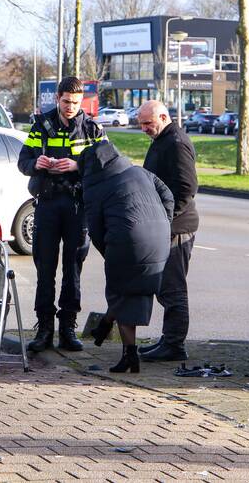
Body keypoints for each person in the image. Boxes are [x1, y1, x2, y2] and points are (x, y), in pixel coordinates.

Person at [17, 76, 106, 352]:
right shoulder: (41, 125)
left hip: (77, 206)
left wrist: (76, 165)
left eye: (76, 103)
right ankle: (44, 329)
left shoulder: (92, 129)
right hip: (47, 203)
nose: (70, 107)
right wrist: (37, 163)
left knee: (73, 269)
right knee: (45, 268)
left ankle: (68, 328)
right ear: (58, 98)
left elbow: (105, 164)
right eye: (66, 101)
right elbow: (23, 162)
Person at [80, 142, 173, 373]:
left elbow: (95, 230)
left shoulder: (95, 185)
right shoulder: (141, 172)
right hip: (160, 240)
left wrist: (109, 251)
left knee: (119, 291)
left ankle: (129, 355)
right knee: (130, 291)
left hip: (126, 242)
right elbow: (168, 196)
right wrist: (163, 224)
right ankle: (106, 325)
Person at [136, 100, 199, 361]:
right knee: (164, 286)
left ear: (163, 117)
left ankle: (174, 345)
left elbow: (187, 187)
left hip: (176, 227)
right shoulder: (163, 139)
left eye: (148, 123)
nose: (144, 129)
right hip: (166, 225)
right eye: (141, 124)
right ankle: (168, 339)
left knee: (173, 287)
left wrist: (166, 218)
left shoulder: (176, 143)